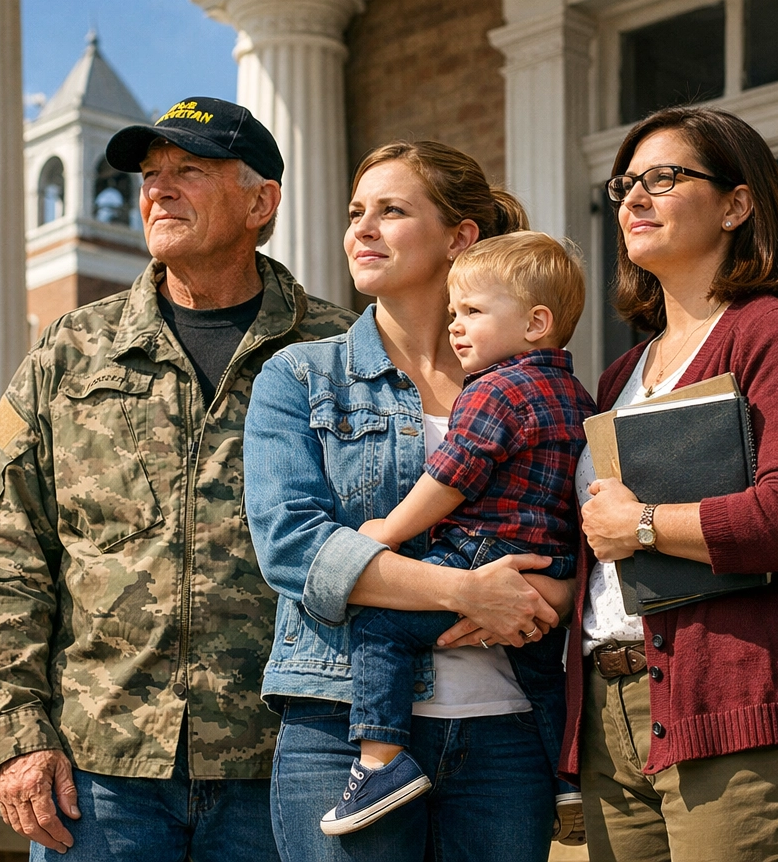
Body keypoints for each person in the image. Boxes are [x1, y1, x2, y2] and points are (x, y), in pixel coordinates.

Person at [0, 97, 356, 862]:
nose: (158, 191)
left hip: (285, 760)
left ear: (260, 201)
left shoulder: (335, 350)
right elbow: (5, 548)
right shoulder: (71, 351)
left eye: (189, 172)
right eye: (150, 175)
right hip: (99, 775)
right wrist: (13, 733)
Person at [243, 141, 577, 862]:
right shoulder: (301, 376)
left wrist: (557, 586)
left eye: (391, 210)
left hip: (506, 731)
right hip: (343, 732)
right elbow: (294, 544)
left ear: (462, 236)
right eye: (357, 211)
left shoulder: (538, 385)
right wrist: (467, 592)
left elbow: (583, 527)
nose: (362, 228)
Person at [567, 105, 778, 862]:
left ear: (736, 203)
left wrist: (647, 526)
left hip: (738, 709)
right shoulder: (620, 373)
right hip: (610, 718)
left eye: (665, 178)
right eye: (626, 182)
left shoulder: (771, 333)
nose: (633, 198)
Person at [322, 231, 595, 836]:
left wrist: (386, 532)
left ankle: (380, 763)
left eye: (472, 312)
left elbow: (452, 476)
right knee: (542, 669)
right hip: (546, 564)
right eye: (453, 313)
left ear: (535, 321)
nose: (456, 327)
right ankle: (568, 780)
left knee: (381, 624)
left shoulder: (494, 389)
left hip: (480, 550)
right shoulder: (579, 395)